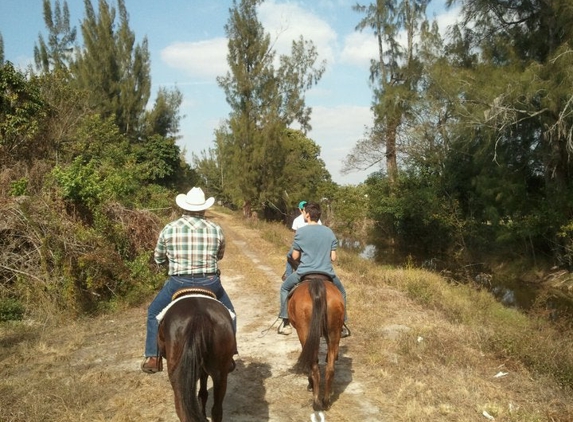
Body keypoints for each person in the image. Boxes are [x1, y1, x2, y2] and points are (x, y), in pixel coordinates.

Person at [141, 187, 236, 373]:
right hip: (210, 283)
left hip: (179, 283)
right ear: (203, 208)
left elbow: (158, 256)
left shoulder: (169, 228)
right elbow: (220, 255)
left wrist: (164, 262)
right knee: (230, 313)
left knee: (153, 312)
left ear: (184, 207)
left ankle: (153, 356)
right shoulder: (215, 229)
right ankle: (230, 354)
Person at [277, 201, 349, 337]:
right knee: (342, 292)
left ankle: (285, 322)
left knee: (284, 288)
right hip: (327, 273)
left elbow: (295, 256)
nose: (303, 214)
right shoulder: (329, 232)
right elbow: (333, 257)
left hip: (304, 273)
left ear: (308, 215)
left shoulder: (301, 232)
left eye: (304, 212)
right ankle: (343, 323)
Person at [283, 201, 322, 279]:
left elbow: (295, 235)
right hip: (315, 245)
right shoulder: (318, 220)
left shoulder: (297, 220)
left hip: (301, 245)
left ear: (300, 210)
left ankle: (288, 274)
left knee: (289, 255)